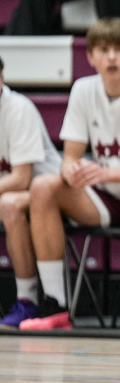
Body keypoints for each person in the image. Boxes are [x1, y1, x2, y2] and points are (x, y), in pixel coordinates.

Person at [19, 18, 120, 332]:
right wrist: (71, 170)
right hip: (108, 195)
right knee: (43, 186)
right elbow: (70, 156)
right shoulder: (83, 90)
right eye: (104, 50)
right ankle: (55, 304)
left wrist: (107, 173)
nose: (111, 57)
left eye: (119, 49)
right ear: (90, 57)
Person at [0, 54, 62, 328]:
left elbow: (21, 178)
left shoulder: (18, 109)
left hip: (50, 194)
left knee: (9, 204)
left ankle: (27, 299)